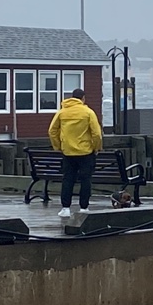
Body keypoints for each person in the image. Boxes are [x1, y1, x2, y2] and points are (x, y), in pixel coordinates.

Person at [49, 88, 103, 217]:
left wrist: (58, 146)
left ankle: (65, 208)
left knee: (68, 179)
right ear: (83, 98)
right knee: (85, 180)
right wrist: (96, 148)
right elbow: (97, 134)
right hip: (85, 152)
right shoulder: (88, 112)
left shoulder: (62, 112)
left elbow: (52, 131)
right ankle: (84, 207)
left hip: (68, 152)